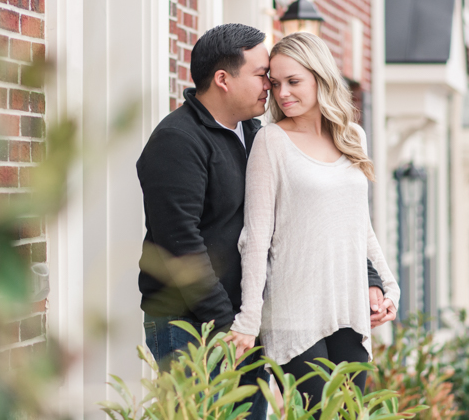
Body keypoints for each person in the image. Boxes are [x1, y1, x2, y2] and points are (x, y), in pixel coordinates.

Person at [136, 24, 392, 420]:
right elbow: (179, 244)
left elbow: (323, 215)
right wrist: (229, 324)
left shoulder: (253, 132)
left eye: (282, 79)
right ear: (223, 79)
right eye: (264, 76)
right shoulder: (178, 140)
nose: (272, 89)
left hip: (241, 319)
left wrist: (371, 278)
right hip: (189, 325)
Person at [226, 32, 400, 408]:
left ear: (320, 78)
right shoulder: (271, 141)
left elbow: (359, 225)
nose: (283, 93)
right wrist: (248, 319)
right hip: (294, 312)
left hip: (348, 306)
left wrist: (388, 285)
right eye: (275, 84)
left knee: (351, 411)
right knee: (317, 411)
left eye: (293, 81)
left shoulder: (352, 136)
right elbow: (256, 237)